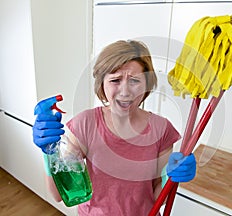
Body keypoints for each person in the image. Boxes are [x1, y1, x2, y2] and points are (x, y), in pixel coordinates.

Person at [32, 40, 196, 216]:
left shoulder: (161, 129)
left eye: (134, 81)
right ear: (102, 84)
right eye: (115, 80)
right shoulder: (85, 124)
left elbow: (158, 197)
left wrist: (168, 179)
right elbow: (59, 195)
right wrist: (50, 153)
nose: (125, 92)